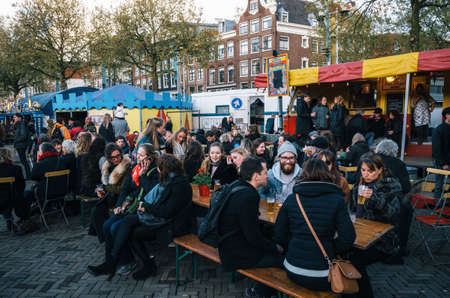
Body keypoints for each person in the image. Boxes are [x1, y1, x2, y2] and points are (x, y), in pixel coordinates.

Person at [275, 158, 355, 291]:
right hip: (324, 273)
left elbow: (279, 234)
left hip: (293, 268)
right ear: (327, 174)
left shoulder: (292, 199)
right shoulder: (337, 200)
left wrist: (295, 244)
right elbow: (348, 238)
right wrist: (331, 248)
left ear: (303, 175)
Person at [88, 144, 160, 279]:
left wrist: (143, 176)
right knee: (106, 225)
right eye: (137, 154)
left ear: (150, 156)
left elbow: (151, 192)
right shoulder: (135, 167)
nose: (137, 157)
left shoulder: (155, 171)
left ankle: (125, 261)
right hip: (129, 205)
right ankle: (109, 262)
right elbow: (125, 189)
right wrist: (119, 204)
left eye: (141, 155)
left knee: (115, 227)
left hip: (142, 209)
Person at [218, 156, 284, 297]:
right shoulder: (248, 196)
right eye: (265, 172)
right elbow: (253, 237)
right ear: (255, 176)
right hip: (236, 254)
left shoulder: (237, 185)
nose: (267, 175)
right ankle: (260, 292)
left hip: (228, 245)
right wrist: (274, 247)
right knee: (281, 260)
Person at [129, 154, 193, 280]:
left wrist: (147, 207)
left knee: (133, 234)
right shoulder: (175, 180)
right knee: (130, 227)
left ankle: (149, 266)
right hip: (170, 221)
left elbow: (167, 211)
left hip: (174, 226)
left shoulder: (177, 185)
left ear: (165, 169)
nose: (157, 170)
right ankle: (146, 261)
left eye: (159, 168)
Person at [349, 152, 403, 297]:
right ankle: (347, 290)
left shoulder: (391, 186)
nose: (366, 174)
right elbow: (353, 210)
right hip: (360, 234)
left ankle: (365, 294)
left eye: (370, 170)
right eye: (363, 170)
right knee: (340, 252)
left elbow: (392, 214)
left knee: (355, 260)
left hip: (383, 240)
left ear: (380, 170)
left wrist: (373, 197)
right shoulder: (360, 184)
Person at [375, 139, 412, 255]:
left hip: (370, 199)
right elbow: (406, 187)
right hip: (392, 202)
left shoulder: (369, 160)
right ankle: (401, 246)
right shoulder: (398, 163)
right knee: (406, 209)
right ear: (394, 151)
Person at [90, 143, 132, 243]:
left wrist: (106, 188)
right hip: (111, 197)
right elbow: (106, 185)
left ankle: (109, 239)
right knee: (96, 211)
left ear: (121, 154)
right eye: (113, 158)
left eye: (118, 156)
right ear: (109, 158)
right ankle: (105, 239)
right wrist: (102, 191)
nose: (116, 159)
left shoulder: (126, 167)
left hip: (121, 198)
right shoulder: (107, 167)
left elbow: (122, 189)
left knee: (100, 211)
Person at [0, 148, 33, 234]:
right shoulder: (16, 168)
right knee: (28, 193)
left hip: (2, 201)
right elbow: (21, 186)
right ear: (9, 156)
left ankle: (8, 219)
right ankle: (24, 218)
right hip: (14, 200)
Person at [431, 107, 450, 199]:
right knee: (439, 184)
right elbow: (436, 149)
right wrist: (443, 163)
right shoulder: (439, 129)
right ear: (447, 115)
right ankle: (437, 204)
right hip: (441, 162)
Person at [13, 113, 30, 179]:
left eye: (15, 117)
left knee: (24, 161)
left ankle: (29, 175)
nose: (14, 118)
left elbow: (23, 136)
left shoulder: (22, 124)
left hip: (21, 145)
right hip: (19, 145)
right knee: (23, 161)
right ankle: (28, 175)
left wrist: (16, 141)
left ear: (19, 118)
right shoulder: (18, 125)